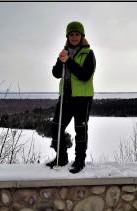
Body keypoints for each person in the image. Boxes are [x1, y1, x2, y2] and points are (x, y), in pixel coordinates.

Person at [46, 21, 96, 174]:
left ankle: (79, 160)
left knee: (80, 129)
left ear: (82, 36)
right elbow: (55, 74)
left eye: (77, 34)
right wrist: (61, 61)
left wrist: (68, 61)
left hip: (82, 97)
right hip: (66, 95)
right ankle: (61, 157)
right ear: (67, 36)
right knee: (56, 126)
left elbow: (85, 76)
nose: (74, 37)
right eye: (71, 34)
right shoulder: (64, 52)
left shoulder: (89, 53)